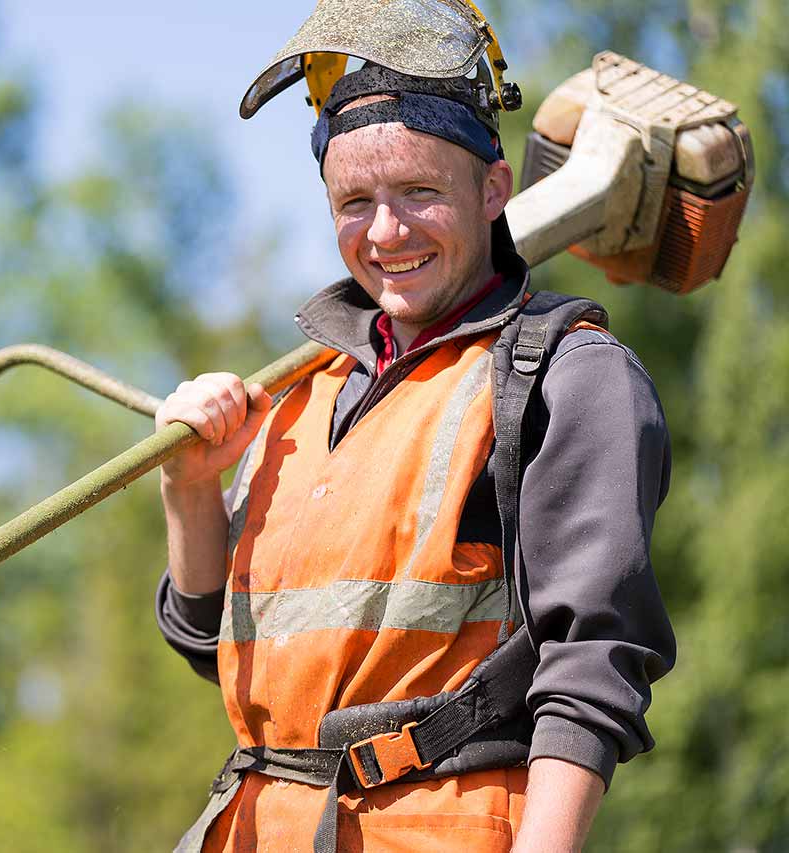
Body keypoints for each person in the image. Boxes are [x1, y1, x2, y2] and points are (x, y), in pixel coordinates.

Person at [153, 61, 675, 853]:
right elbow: (210, 644)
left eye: (419, 192)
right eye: (354, 203)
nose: (387, 232)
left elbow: (593, 666)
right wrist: (189, 485)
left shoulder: (568, 373)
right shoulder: (304, 390)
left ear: (494, 190)